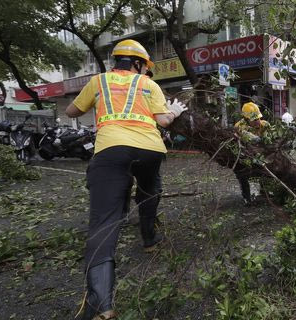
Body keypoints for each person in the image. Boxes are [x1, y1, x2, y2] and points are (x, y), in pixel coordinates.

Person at [65, 39, 188, 320]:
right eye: (145, 66)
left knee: (104, 221)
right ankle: (149, 239)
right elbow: (165, 121)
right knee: (149, 191)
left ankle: (100, 306)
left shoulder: (98, 82)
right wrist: (175, 111)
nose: (145, 70)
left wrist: (96, 105)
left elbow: (72, 111)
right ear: (137, 63)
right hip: (150, 149)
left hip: (111, 149)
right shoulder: (149, 85)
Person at [233, 102, 269, 204]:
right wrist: (252, 138)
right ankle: (247, 197)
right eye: (254, 119)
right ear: (246, 119)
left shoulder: (265, 125)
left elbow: (271, 137)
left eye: (258, 118)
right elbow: (245, 136)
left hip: (260, 155)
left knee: (264, 171)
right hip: (244, 155)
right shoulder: (239, 126)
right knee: (243, 174)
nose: (257, 121)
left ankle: (264, 191)